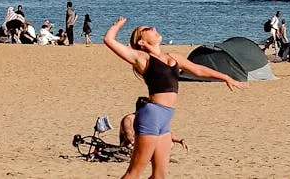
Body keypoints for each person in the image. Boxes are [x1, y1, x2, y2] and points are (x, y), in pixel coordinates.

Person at [104, 16, 245, 179]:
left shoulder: (173, 57)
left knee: (160, 176)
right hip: (151, 115)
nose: (153, 28)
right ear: (142, 42)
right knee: (134, 173)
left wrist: (226, 77)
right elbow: (109, 40)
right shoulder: (143, 59)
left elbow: (198, 69)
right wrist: (118, 25)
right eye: (147, 29)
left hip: (165, 118)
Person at [119, 97, 188, 152]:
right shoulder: (129, 119)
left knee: (170, 143)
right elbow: (128, 133)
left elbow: (165, 132)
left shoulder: (149, 118)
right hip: (132, 144)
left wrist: (179, 140)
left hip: (145, 144)